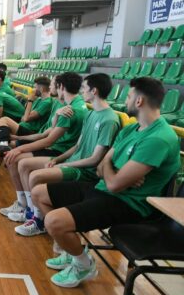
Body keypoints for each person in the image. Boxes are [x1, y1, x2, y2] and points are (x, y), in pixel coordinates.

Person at [33, 77, 180, 288]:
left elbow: (114, 184)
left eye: (128, 96)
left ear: (139, 101)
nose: (125, 100)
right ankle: (71, 252)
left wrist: (111, 171)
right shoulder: (130, 129)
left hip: (128, 204)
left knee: (54, 221)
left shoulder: (159, 138)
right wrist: (113, 170)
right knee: (39, 193)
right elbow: (102, 166)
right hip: (104, 189)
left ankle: (83, 264)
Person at [13, 73, 120, 236]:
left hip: (84, 171)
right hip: (72, 161)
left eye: (84, 88)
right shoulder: (91, 114)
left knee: (35, 176)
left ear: (94, 91)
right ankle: (37, 217)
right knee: (30, 170)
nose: (82, 91)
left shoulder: (109, 119)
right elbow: (78, 145)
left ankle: (38, 220)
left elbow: (95, 159)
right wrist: (58, 159)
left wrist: (64, 164)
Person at [0, 73, 87, 193]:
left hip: (55, 148)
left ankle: (23, 204)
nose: (50, 87)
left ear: (61, 86)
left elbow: (46, 138)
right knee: (3, 146)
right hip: (45, 140)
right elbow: (47, 132)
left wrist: (20, 148)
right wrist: (18, 137)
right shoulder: (63, 104)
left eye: (52, 84)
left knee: (10, 154)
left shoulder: (67, 109)